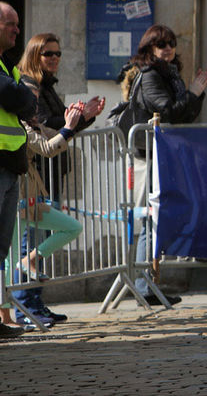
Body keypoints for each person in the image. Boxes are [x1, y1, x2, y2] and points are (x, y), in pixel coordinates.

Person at [10, 33, 105, 322]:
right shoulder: (29, 85)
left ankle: (34, 302)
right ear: (35, 55)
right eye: (47, 53)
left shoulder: (47, 86)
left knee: (41, 239)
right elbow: (42, 128)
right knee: (29, 240)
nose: (54, 58)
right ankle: (25, 306)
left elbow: (56, 128)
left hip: (47, 172)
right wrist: (71, 121)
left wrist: (82, 119)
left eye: (57, 53)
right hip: (31, 174)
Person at [121, 24, 207, 305]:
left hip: (165, 154)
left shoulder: (170, 74)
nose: (168, 48)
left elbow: (184, 115)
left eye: (171, 43)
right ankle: (143, 286)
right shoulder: (150, 76)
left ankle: (148, 284)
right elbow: (168, 111)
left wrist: (195, 94)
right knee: (151, 219)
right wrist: (194, 91)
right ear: (149, 49)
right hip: (149, 155)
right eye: (161, 44)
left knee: (160, 217)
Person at [2, 103, 85, 330]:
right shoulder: (22, 128)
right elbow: (48, 148)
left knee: (72, 227)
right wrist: (68, 127)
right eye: (31, 100)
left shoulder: (32, 126)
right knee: (7, 261)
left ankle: (31, 259)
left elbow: (60, 139)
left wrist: (78, 120)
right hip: (18, 197)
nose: (35, 106)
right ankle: (9, 316)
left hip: (31, 198)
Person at [0, 1, 38, 340]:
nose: (17, 30)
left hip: (8, 165)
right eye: (10, 24)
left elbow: (27, 101)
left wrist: (22, 97)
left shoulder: (7, 65)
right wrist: (21, 97)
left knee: (1, 248)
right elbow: (15, 98)